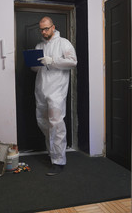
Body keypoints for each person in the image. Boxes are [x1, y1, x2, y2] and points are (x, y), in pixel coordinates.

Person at [31, 16, 77, 176]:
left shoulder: (63, 43)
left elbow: (73, 62)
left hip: (57, 90)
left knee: (56, 125)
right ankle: (52, 154)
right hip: (41, 89)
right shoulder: (39, 45)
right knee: (42, 122)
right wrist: (34, 64)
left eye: (46, 28)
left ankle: (59, 161)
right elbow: (36, 69)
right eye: (41, 29)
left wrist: (53, 60)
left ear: (53, 27)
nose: (44, 32)